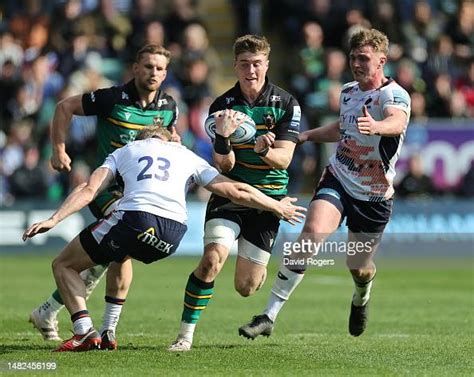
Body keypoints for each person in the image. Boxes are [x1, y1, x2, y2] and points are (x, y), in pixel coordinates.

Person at [22, 126, 305, 352]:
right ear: (168, 138)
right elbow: (237, 190)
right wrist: (276, 205)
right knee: (120, 254)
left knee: (64, 265)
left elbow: (88, 189)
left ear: (143, 138)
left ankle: (84, 331)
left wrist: (54, 219)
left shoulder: (126, 149)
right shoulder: (186, 154)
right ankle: (108, 331)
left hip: (136, 217)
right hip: (172, 234)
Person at [239, 28, 411, 339]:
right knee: (311, 234)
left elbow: (396, 121)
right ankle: (268, 315)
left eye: (364, 58)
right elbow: (342, 128)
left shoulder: (394, 95)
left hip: (373, 194)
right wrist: (305, 135)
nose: (356, 64)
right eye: (352, 57)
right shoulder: (348, 91)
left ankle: (362, 295)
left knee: (359, 265)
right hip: (339, 178)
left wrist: (377, 126)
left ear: (382, 60)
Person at [28, 44, 181, 346]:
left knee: (99, 262)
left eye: (159, 68)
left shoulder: (169, 106)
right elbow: (64, 107)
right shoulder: (112, 99)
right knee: (120, 250)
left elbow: (169, 137)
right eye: (148, 66)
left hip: (142, 194)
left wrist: (172, 139)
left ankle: (48, 311)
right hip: (107, 190)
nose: (153, 73)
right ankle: (106, 329)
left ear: (165, 73)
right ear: (135, 68)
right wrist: (59, 149)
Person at [168, 34, 302, 351]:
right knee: (212, 260)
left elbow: (284, 159)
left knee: (246, 286)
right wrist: (224, 138)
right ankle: (184, 336)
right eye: (244, 64)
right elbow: (224, 166)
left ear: (266, 64)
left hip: (268, 202)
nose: (251, 71)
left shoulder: (285, 104)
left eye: (257, 64)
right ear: (235, 66)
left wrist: (263, 151)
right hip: (229, 195)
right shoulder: (222, 107)